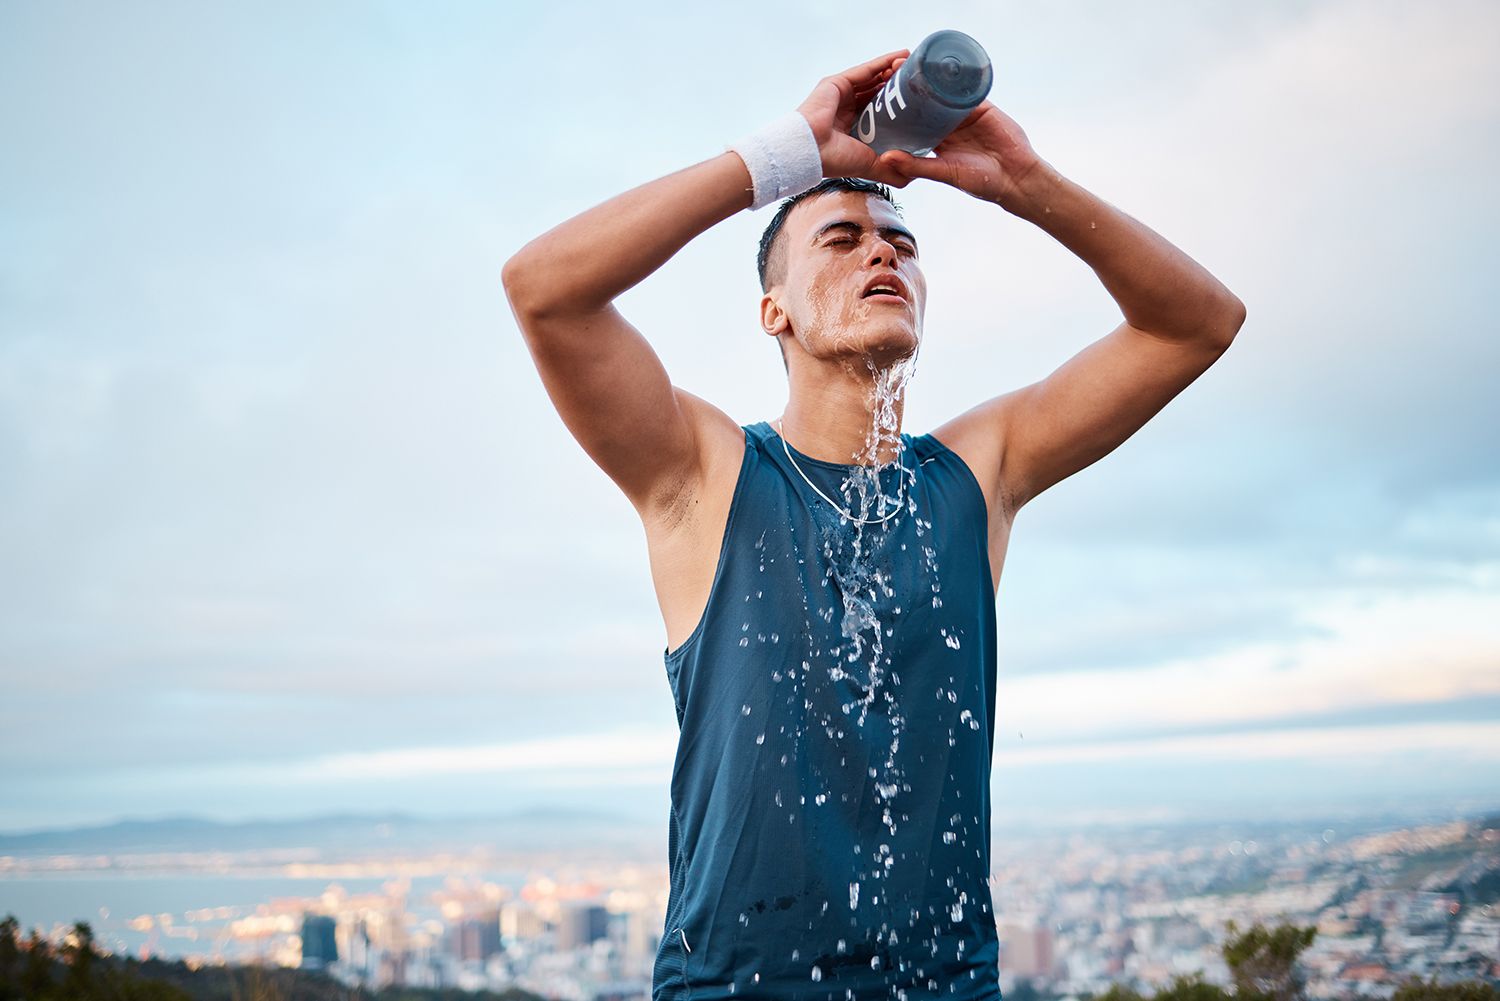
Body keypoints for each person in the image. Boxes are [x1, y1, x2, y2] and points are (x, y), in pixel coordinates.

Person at [502, 47, 1245, 1001]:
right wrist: (786, 157)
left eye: (900, 243)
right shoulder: (707, 473)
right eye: (840, 238)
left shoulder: (979, 473)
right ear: (773, 310)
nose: (883, 251)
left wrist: (1026, 183)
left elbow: (1197, 324)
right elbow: (545, 290)